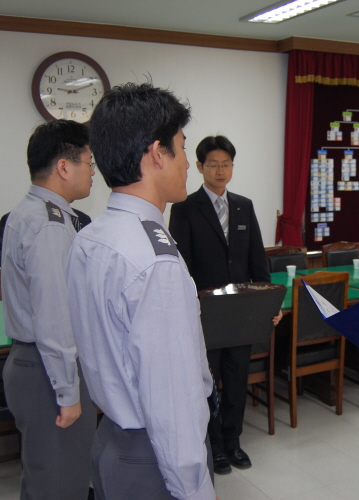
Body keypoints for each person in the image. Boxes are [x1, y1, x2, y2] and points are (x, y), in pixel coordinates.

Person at [66, 82, 218, 500]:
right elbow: (170, 398)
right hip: (153, 455)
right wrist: (195, 488)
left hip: (112, 441)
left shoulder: (92, 236)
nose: (188, 164)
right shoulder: (155, 261)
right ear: (157, 154)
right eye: (182, 148)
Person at [169, 135, 281, 475]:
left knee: (236, 380)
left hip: (242, 314)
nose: (220, 170)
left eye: (226, 164)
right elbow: (182, 266)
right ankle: (214, 447)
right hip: (206, 314)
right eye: (213, 164)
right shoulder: (185, 207)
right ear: (200, 167)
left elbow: (257, 260)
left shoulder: (244, 205)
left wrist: (269, 304)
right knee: (208, 383)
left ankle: (233, 442)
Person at [0, 119, 97, 499]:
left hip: (34, 366)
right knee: (61, 484)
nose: (93, 172)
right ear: (64, 167)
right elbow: (55, 318)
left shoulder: (28, 212)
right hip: (48, 372)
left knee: (44, 480)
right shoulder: (49, 226)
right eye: (89, 162)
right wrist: (68, 392)